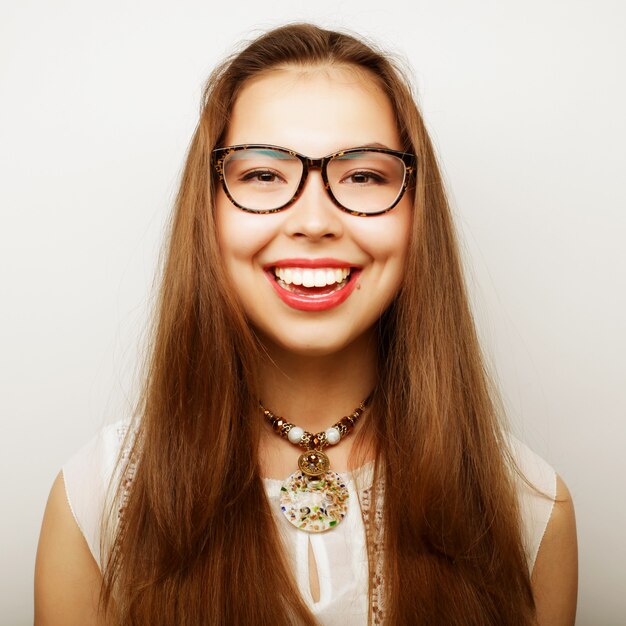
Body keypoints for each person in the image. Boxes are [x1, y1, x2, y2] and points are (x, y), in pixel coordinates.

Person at [34, 23, 578, 625]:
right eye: (263, 175)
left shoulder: (528, 506)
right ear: (207, 212)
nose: (314, 221)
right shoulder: (99, 499)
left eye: (364, 176)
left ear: (418, 210)